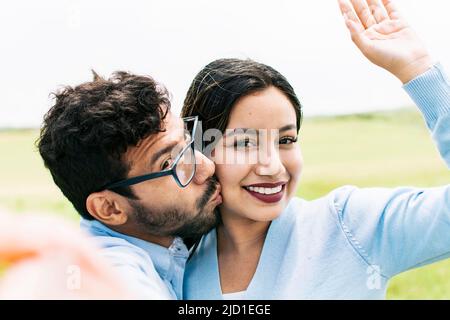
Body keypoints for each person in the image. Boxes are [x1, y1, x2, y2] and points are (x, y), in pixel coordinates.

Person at [181, 0, 450, 299]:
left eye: (285, 141)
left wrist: (417, 69)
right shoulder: (174, 260)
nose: (272, 166)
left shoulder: (350, 227)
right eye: (245, 143)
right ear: (199, 151)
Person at [37, 71, 222, 299]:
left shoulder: (159, 240)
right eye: (168, 163)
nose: (206, 167)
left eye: (188, 144)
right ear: (110, 208)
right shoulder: (114, 277)